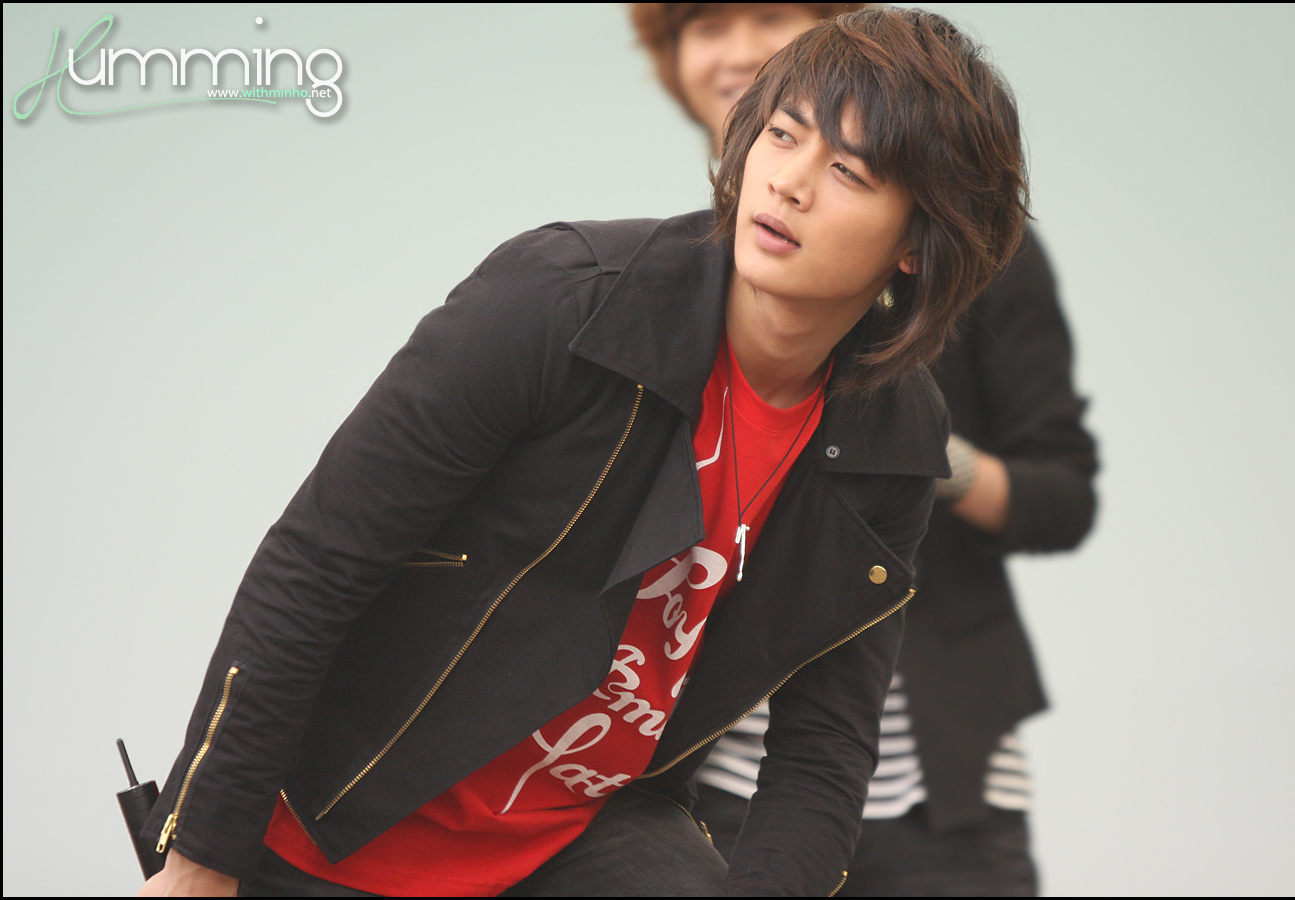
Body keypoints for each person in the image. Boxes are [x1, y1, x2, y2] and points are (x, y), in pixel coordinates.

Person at [139, 8, 1028, 897]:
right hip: (324, 825)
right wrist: (200, 859)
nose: (789, 183)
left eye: (847, 171)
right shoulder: (563, 304)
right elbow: (317, 562)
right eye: (783, 134)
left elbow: (823, 748)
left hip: (571, 844)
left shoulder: (892, 438)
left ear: (918, 245)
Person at [631, 3, 1099, 895]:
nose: (737, 51)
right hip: (714, 772)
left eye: (770, 16)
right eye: (706, 28)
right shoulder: (664, 269)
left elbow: (1062, 497)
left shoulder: (976, 251)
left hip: (941, 774)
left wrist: (917, 453)